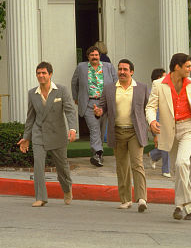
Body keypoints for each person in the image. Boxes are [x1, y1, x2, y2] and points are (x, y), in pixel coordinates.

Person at [145, 53, 191, 220]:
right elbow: (150, 107)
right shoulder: (159, 84)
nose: (190, 69)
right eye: (187, 66)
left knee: (182, 163)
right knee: (178, 170)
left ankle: (179, 206)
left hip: (188, 128)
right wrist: (151, 121)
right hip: (169, 131)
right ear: (177, 67)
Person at [17, 62, 77, 207]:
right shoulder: (32, 93)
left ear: (50, 74)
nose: (41, 76)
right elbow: (30, 117)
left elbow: (69, 111)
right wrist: (26, 138)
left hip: (58, 134)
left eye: (44, 73)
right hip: (39, 134)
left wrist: (73, 128)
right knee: (38, 165)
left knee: (62, 167)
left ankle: (67, 188)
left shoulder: (61, 90)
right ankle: (40, 197)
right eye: (39, 73)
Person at [93, 59, 149, 212]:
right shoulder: (109, 88)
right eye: (120, 69)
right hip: (117, 132)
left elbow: (148, 109)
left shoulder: (142, 88)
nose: (122, 72)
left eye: (125, 69)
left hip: (135, 132)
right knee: (122, 166)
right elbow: (102, 106)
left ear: (132, 72)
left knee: (137, 164)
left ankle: (142, 198)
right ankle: (125, 199)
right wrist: (99, 111)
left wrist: (153, 127)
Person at [71, 46, 117, 167]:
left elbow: (116, 83)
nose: (94, 57)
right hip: (88, 103)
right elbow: (74, 82)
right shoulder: (81, 67)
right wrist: (76, 97)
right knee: (94, 128)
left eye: (96, 55)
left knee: (101, 129)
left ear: (99, 56)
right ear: (88, 57)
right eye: (92, 55)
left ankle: (98, 154)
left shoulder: (108, 67)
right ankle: (97, 152)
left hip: (104, 103)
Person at [147, 68, 171, 178]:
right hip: (158, 124)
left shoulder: (166, 90)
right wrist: (155, 132)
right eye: (164, 76)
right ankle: (166, 170)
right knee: (166, 146)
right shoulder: (154, 92)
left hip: (168, 123)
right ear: (158, 78)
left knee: (168, 145)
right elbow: (153, 111)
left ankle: (153, 155)